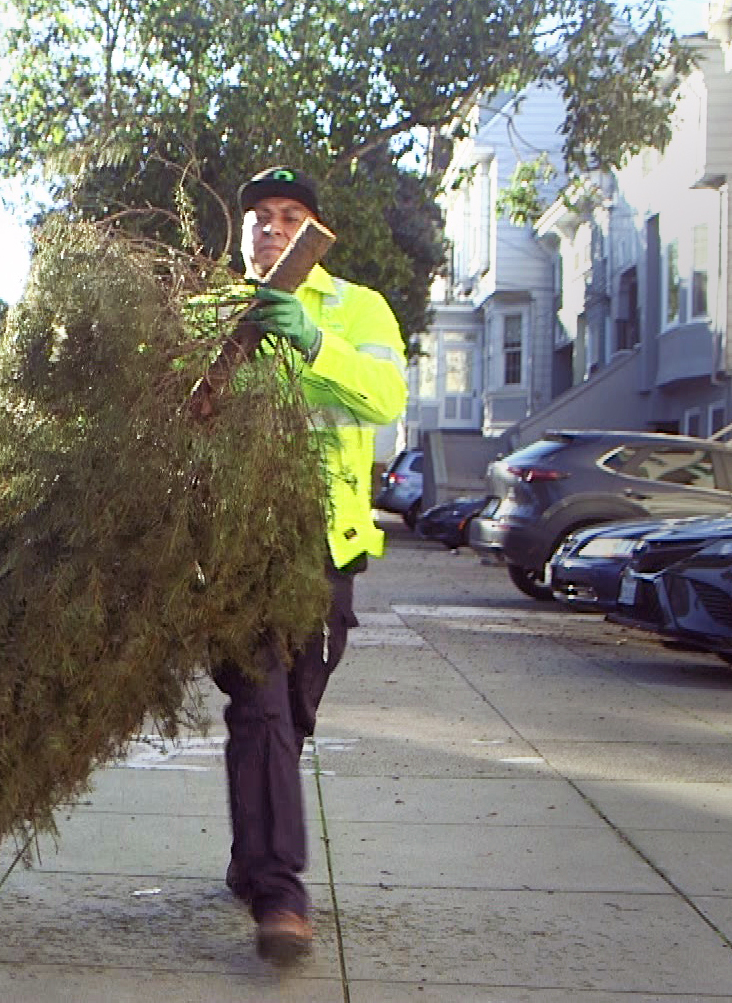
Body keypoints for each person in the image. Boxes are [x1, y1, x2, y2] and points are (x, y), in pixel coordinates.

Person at [210, 166, 408, 963]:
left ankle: (251, 855)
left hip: (325, 551)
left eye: (287, 215)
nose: (270, 227)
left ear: (312, 229)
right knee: (259, 706)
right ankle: (280, 893)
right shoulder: (211, 312)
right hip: (234, 553)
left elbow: (385, 398)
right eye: (257, 216)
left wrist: (312, 340)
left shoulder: (358, 308)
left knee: (289, 712)